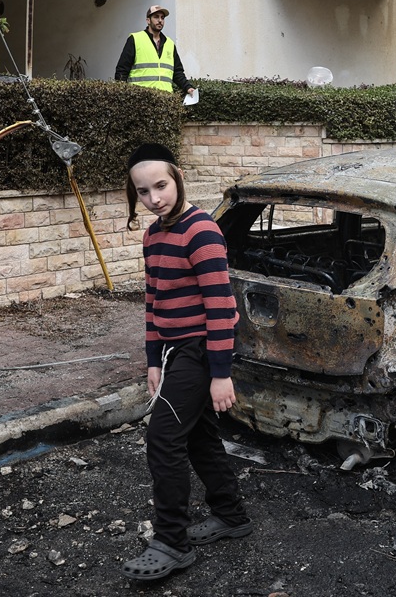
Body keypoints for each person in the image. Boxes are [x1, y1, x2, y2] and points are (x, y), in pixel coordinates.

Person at [120, 143, 252, 581]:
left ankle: (171, 542)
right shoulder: (154, 234)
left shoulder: (202, 231)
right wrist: (153, 360)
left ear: (177, 178)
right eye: (143, 191)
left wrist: (220, 375)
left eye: (161, 185)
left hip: (200, 352)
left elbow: (220, 306)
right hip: (174, 354)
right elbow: (154, 302)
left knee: (162, 438)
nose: (154, 198)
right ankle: (231, 515)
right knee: (197, 440)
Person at [115, 5, 196, 96]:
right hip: (139, 99)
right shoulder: (135, 39)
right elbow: (122, 70)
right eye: (156, 17)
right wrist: (121, 94)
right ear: (148, 20)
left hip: (165, 99)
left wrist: (188, 87)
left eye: (162, 17)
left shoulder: (169, 44)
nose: (160, 20)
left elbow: (177, 72)